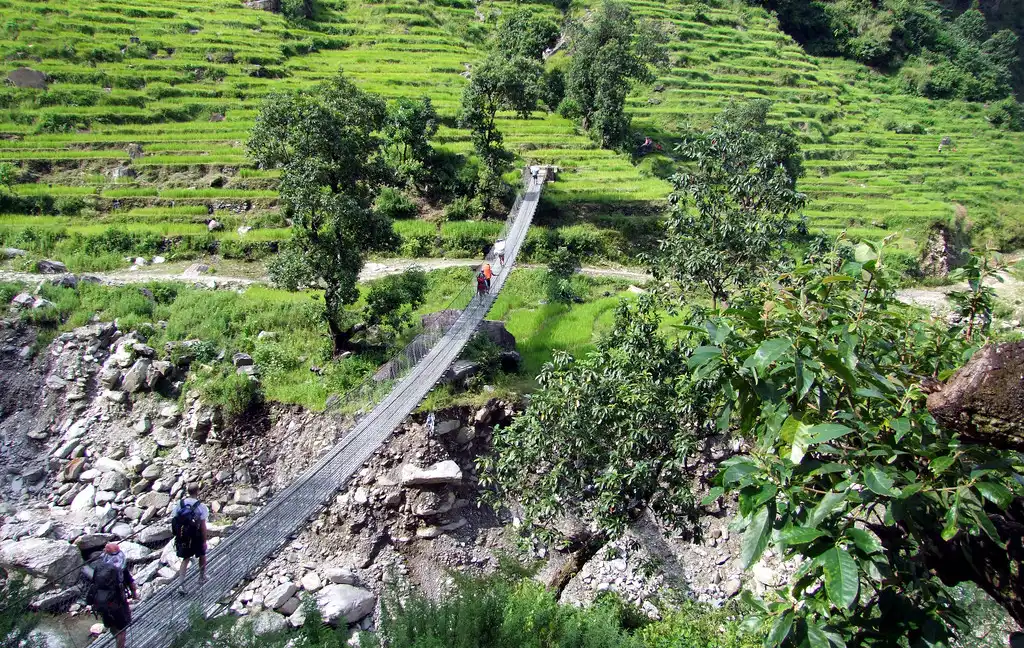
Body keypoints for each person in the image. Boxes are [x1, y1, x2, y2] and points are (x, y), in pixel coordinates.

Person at [87, 543, 137, 648]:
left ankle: (117, 641)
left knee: (112, 626)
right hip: (118, 603)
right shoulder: (120, 567)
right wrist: (134, 594)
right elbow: (130, 582)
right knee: (122, 629)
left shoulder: (99, 567)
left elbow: (94, 583)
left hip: (102, 602)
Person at [172, 483, 209, 595]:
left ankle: (181, 584)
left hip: (183, 536)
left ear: (187, 491)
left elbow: (174, 519)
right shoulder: (201, 506)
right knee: (202, 555)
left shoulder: (180, 504)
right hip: (196, 536)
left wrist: (177, 535)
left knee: (186, 558)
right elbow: (203, 525)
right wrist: (204, 540)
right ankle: (202, 577)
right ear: (197, 491)